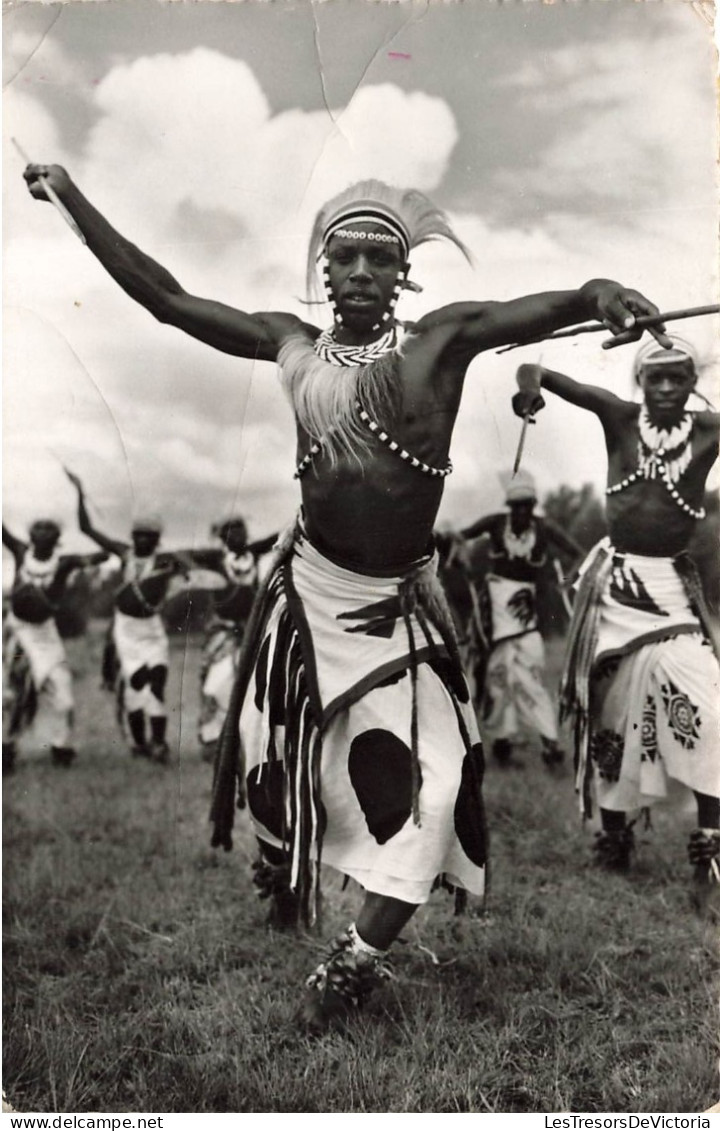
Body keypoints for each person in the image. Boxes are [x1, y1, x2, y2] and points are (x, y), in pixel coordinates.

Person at [24, 162, 668, 1031]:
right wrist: (72, 199)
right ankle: (284, 856)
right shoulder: (291, 347)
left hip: (402, 610)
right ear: (323, 271)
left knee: (438, 788)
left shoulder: (439, 342)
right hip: (308, 601)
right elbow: (166, 301)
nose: (361, 272)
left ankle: (355, 961)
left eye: (379, 259)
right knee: (284, 766)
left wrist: (601, 293)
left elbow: (542, 308)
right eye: (345, 258)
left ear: (404, 273)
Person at [512, 336, 720, 898]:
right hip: (615, 586)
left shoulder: (708, 431)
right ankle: (614, 839)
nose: (668, 389)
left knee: (710, 703)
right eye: (658, 379)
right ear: (641, 381)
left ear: (692, 381)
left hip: (671, 590)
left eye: (679, 378)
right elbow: (537, 368)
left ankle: (710, 846)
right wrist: (529, 392)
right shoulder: (619, 417)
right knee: (610, 718)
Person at [458, 470, 583, 769]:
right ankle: (502, 744)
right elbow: (459, 539)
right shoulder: (495, 523)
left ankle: (551, 745)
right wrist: (459, 557)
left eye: (527, 505)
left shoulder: (543, 528)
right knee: (497, 678)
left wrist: (566, 581)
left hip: (524, 615)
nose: (522, 512)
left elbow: (580, 554)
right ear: (509, 507)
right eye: (516, 506)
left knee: (531, 677)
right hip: (494, 615)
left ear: (533, 505)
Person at [67, 471, 189, 763]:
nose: (142, 540)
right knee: (136, 684)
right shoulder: (124, 554)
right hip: (127, 630)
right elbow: (87, 528)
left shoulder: (165, 560)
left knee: (157, 681)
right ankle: (139, 743)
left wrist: (182, 573)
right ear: (132, 536)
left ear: (157, 539)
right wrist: (81, 492)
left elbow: (191, 569)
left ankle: (158, 743)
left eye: (148, 535)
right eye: (138, 534)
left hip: (152, 629)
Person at [2, 518, 107, 772]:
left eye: (50, 530)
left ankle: (61, 747)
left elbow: (99, 556)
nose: (43, 533)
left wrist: (94, 551)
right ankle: (6, 750)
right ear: (31, 535)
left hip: (46, 635)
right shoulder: (20, 551)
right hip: (18, 632)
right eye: (38, 529)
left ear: (56, 538)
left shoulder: (63, 563)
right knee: (13, 694)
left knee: (63, 696)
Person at [189, 517, 277, 762]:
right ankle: (212, 738)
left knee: (263, 681)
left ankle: (259, 737)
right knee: (217, 682)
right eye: (231, 532)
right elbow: (188, 557)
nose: (237, 536)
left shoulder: (254, 556)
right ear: (223, 538)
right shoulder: (216, 560)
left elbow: (277, 538)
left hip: (253, 630)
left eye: (241, 531)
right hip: (224, 632)